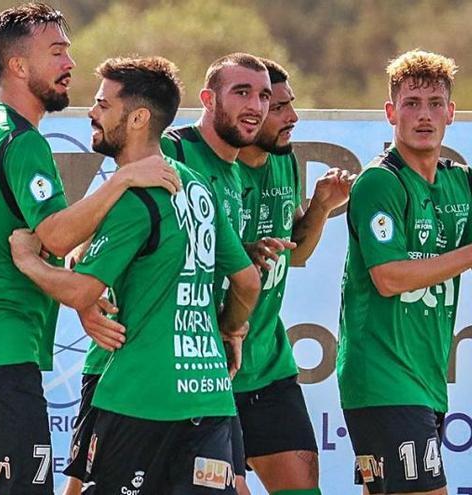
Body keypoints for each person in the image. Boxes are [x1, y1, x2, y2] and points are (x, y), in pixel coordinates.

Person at [0, 4, 180, 494]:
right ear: (18, 65)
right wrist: (121, 180)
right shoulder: (21, 141)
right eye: (56, 52)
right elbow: (56, 235)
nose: (69, 64)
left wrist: (0, 248)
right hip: (3, 355)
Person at [9, 55, 260, 494]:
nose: (92, 112)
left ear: (139, 117)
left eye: (104, 104)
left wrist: (28, 260)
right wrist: (230, 328)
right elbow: (246, 281)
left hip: (142, 398)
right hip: (209, 393)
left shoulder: (133, 197)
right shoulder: (195, 183)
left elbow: (81, 289)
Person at [338, 49, 470, 495]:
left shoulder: (460, 182)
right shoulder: (380, 181)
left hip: (424, 380)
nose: (424, 115)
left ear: (451, 113)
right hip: (383, 379)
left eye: (435, 104)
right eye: (412, 104)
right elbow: (389, 278)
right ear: (391, 112)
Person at [233, 58, 352, 495]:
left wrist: (320, 207)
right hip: (211, 370)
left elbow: (294, 251)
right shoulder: (204, 167)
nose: (292, 117)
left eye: (287, 103)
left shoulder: (284, 159)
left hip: (270, 369)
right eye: (278, 107)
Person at [159, 52, 271, 494]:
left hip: (201, 363)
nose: (255, 106)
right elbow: (113, 225)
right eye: (241, 92)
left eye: (263, 95)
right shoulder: (172, 149)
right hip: (137, 365)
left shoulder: (232, 175)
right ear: (208, 99)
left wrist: (228, 330)